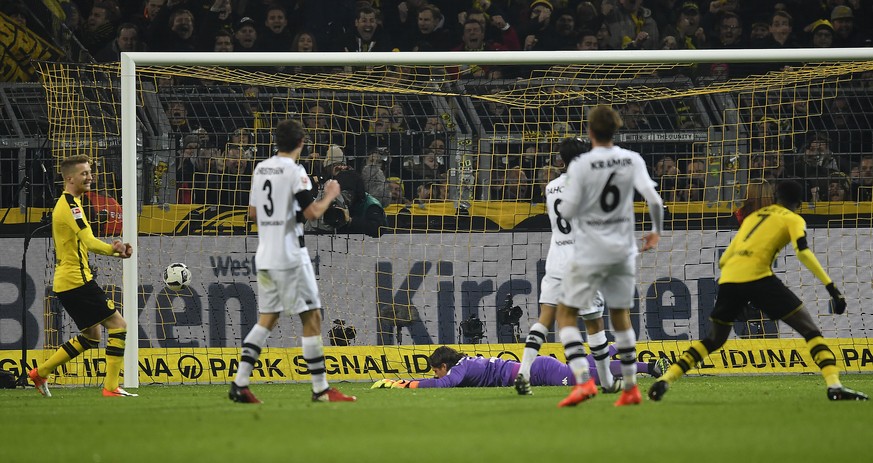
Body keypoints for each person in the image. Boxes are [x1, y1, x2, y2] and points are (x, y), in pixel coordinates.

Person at [649, 180, 867, 402]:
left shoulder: (753, 217)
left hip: (730, 279)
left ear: (775, 198)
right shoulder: (794, 219)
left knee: (714, 339)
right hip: (759, 278)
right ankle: (834, 386)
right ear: (799, 204)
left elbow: (724, 259)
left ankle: (665, 379)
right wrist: (832, 288)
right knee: (810, 330)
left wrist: (738, 291)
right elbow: (803, 253)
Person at [229, 120, 356, 404]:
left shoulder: (261, 168)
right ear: (301, 143)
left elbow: (252, 213)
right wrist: (331, 195)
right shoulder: (296, 171)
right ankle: (321, 388)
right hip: (290, 254)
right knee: (312, 316)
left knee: (267, 318)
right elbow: (312, 212)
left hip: (266, 253)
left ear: (276, 142)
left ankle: (240, 383)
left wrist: (282, 218)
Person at [554, 104, 664, 407]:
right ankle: (630, 388)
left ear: (590, 132)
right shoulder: (632, 159)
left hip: (591, 249)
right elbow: (654, 199)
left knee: (565, 314)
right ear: (615, 130)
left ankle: (583, 382)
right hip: (623, 249)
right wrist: (655, 231)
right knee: (620, 316)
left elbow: (569, 209)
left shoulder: (581, 166)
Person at [516, 137, 644, 396]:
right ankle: (607, 381)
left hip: (556, 259)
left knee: (545, 318)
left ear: (560, 160)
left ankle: (524, 372)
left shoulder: (551, 187)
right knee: (594, 323)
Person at [27, 155, 135, 398]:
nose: (90, 177)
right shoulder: (71, 206)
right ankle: (110, 387)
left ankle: (40, 372)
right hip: (77, 280)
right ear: (69, 178)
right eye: (84, 173)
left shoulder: (71, 203)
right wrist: (114, 250)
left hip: (68, 281)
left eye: (90, 172)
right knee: (119, 326)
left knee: (92, 336)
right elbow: (88, 241)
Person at [371, 345, 670, 389]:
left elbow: (444, 383)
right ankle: (626, 355)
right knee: (587, 368)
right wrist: (406, 380)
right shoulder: (463, 363)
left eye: (435, 370)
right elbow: (440, 379)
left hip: (539, 371)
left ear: (444, 364)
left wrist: (408, 385)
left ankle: (642, 365)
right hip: (538, 366)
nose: (435, 374)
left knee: (587, 379)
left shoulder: (457, 370)